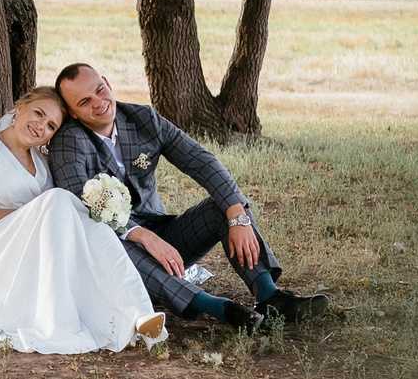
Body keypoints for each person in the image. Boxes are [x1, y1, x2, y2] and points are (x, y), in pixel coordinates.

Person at [46, 62, 332, 332]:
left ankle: (269, 296)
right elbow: (83, 209)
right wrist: (144, 237)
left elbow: (200, 161)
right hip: (109, 252)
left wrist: (238, 216)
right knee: (113, 243)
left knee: (223, 207)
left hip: (163, 233)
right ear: (72, 112)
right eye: (84, 102)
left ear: (107, 83)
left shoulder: (143, 119)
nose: (98, 103)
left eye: (99, 90)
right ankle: (221, 309)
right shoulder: (68, 142)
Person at [0, 85, 170, 354]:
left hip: (38, 253)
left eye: (51, 125)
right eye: (38, 114)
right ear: (20, 108)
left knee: (92, 221)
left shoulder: (42, 161)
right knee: (58, 201)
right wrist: (36, 217)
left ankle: (140, 312)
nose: (41, 126)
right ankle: (58, 322)